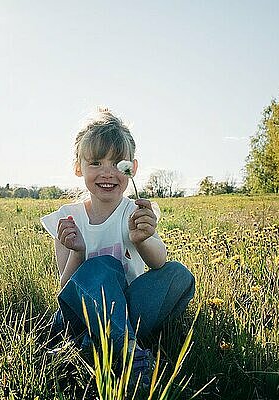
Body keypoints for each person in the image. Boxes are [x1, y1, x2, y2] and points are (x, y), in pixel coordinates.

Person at [40, 107, 195, 386]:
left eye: (118, 164)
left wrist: (143, 239)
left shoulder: (134, 212)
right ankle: (130, 355)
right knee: (103, 266)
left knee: (179, 275)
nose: (107, 172)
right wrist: (78, 252)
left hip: (128, 310)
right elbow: (64, 289)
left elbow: (159, 262)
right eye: (96, 162)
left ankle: (92, 344)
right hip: (81, 313)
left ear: (132, 169)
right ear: (78, 167)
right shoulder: (68, 218)